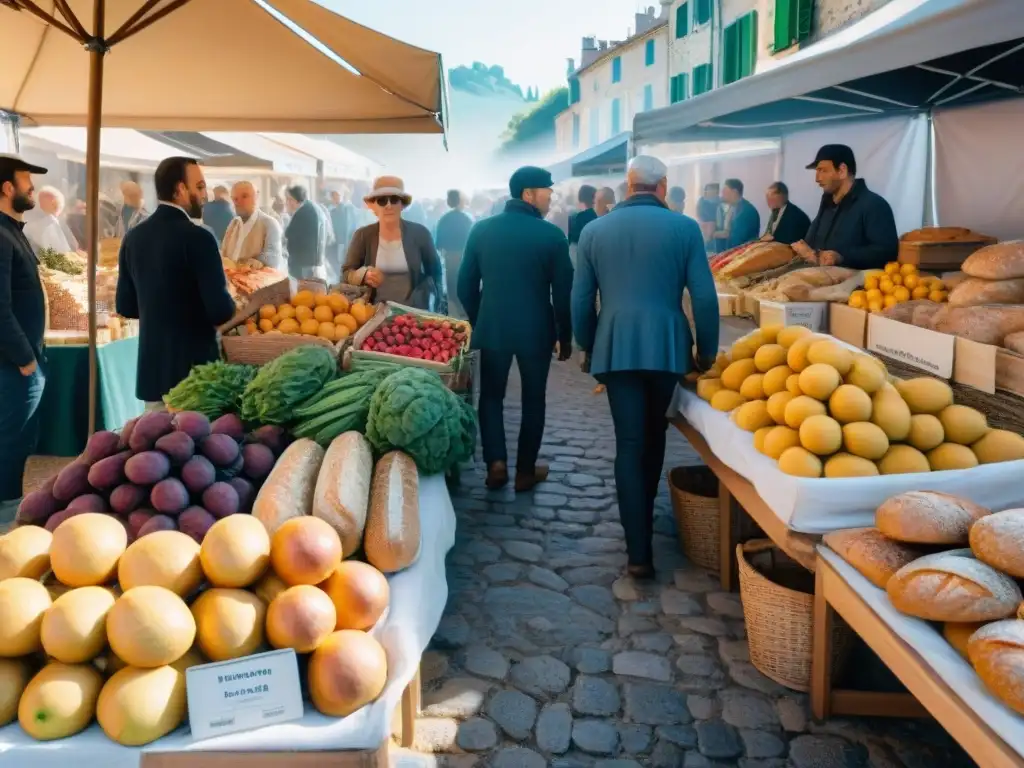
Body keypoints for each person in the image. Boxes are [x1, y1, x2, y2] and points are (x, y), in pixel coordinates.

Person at [573, 155, 718, 579]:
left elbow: (581, 299)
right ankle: (645, 520)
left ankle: (638, 549)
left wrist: (586, 345)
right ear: (662, 185)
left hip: (616, 346)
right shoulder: (685, 228)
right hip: (668, 347)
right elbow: (705, 299)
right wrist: (706, 353)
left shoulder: (593, 230)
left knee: (629, 442)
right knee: (654, 436)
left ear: (627, 184)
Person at [458, 166, 573, 492]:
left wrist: (480, 318)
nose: (551, 196)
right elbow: (563, 293)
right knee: (534, 399)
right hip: (536, 330)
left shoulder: (481, 230)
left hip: (492, 328)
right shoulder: (551, 235)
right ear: (528, 194)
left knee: (491, 397)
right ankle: (524, 470)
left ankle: (496, 463)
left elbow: (465, 285)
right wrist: (564, 335)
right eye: (546, 190)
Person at [115, 157, 236, 411]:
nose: (204, 195)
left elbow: (125, 306)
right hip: (195, 376)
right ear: (181, 189)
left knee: (156, 447)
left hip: (153, 373)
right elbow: (220, 311)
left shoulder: (133, 237)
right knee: (195, 447)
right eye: (200, 187)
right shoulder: (200, 238)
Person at [0, 155, 48, 523]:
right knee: (11, 440)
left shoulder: (12, 230)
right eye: (26, 182)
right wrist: (24, 357)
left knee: (18, 439)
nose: (32, 188)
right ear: (6, 189)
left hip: (21, 359)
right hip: (11, 363)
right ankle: (6, 521)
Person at [343, 176, 444, 311]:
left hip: (412, 316)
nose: (388, 205)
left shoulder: (420, 234)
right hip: (372, 314)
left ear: (402, 205)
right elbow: (346, 273)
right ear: (374, 205)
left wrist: (438, 306)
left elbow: (435, 273)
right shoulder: (363, 235)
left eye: (394, 199)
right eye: (382, 201)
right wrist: (363, 275)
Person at [794, 144, 899, 269]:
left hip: (855, 286)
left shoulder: (874, 205)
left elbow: (887, 252)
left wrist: (842, 257)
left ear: (842, 171)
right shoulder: (827, 205)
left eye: (823, 170)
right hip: (819, 280)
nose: (817, 178)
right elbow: (810, 244)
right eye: (817, 171)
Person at [221, 181, 284, 270]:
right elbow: (224, 252)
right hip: (231, 281)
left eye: (245, 196)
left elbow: (274, 260)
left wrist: (254, 263)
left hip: (257, 282)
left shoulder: (270, 224)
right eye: (235, 199)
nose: (239, 202)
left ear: (256, 196)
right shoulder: (233, 224)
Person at [434, 189, 473, 319]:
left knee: (451, 288)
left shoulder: (444, 219)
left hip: (450, 257)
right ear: (461, 201)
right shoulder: (466, 219)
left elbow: (438, 243)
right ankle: (466, 315)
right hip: (465, 257)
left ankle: (454, 317)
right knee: (466, 285)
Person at [283, 186, 325, 280]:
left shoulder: (304, 212)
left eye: (290, 199)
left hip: (304, 263)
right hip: (308, 261)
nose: (288, 202)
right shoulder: (310, 207)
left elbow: (289, 233)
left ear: (298, 199)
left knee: (304, 290)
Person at [23, 186, 76, 253]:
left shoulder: (55, 223)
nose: (39, 204)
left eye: (41, 200)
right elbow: (61, 254)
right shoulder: (48, 223)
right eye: (39, 200)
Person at [761, 182, 811, 246]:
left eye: (771, 197)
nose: (768, 201)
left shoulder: (796, 216)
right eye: (767, 197)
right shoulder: (776, 211)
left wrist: (770, 240)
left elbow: (789, 241)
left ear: (783, 196)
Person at [716, 179, 760, 249]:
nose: (722, 194)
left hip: (743, 255)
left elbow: (737, 240)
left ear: (734, 192)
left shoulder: (747, 211)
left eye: (725, 191)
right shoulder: (732, 208)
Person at [696, 183, 721, 252]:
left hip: (715, 227)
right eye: (708, 190)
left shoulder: (720, 202)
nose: (710, 192)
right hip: (704, 225)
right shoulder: (701, 201)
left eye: (713, 190)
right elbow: (699, 213)